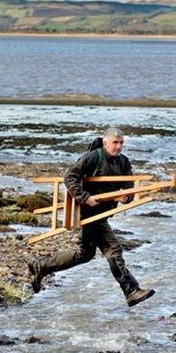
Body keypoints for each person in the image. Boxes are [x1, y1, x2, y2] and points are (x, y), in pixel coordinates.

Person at [28, 127, 155, 307]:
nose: (118, 147)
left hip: (103, 212)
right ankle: (131, 291)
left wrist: (126, 197)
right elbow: (70, 177)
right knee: (113, 249)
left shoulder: (124, 162)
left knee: (85, 254)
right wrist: (86, 198)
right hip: (89, 211)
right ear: (105, 143)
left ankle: (41, 266)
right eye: (115, 143)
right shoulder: (94, 157)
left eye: (121, 143)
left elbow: (130, 187)